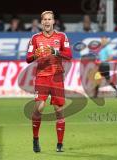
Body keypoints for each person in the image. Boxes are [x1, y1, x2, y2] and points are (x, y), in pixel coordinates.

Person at [26, 10, 72, 153]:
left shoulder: (62, 36)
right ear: (41, 22)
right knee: (39, 109)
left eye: (49, 19)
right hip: (42, 77)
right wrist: (35, 55)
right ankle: (35, 139)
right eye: (44, 19)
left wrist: (55, 52)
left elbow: (69, 55)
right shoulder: (35, 38)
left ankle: (59, 144)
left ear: (53, 21)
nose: (47, 22)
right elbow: (28, 58)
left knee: (59, 111)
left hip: (57, 77)